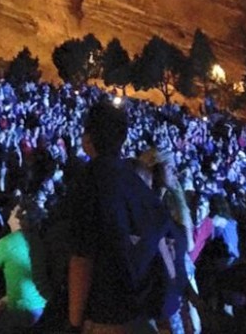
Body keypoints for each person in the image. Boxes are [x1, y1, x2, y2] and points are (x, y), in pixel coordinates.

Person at [68, 100, 176, 333]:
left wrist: (74, 321)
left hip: (106, 317)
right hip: (140, 313)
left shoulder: (90, 180)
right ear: (123, 139)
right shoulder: (138, 184)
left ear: (87, 139)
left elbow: (82, 258)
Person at [0, 197, 49, 333]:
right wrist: (4, 301)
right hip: (41, 306)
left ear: (19, 218)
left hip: (22, 309)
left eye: (13, 211)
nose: (10, 211)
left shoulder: (6, 243)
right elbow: (24, 277)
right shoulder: (37, 239)